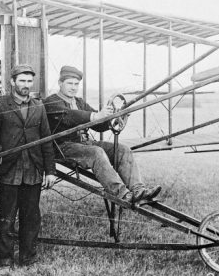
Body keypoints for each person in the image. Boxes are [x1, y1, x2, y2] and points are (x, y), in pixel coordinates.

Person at [43, 65, 161, 203]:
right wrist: (96, 115)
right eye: (69, 83)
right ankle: (123, 194)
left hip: (84, 144)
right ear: (60, 83)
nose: (73, 87)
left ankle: (138, 190)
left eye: (76, 84)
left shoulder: (79, 102)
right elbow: (70, 116)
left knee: (122, 150)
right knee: (96, 152)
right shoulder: (51, 102)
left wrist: (115, 118)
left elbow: (98, 125)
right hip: (63, 147)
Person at [0, 64, 56, 275]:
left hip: (33, 170)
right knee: (7, 218)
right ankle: (4, 262)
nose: (26, 85)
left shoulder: (38, 106)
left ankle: (28, 258)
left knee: (31, 217)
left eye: (29, 81)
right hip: (9, 171)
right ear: (12, 82)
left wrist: (50, 170)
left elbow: (47, 141)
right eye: (22, 81)